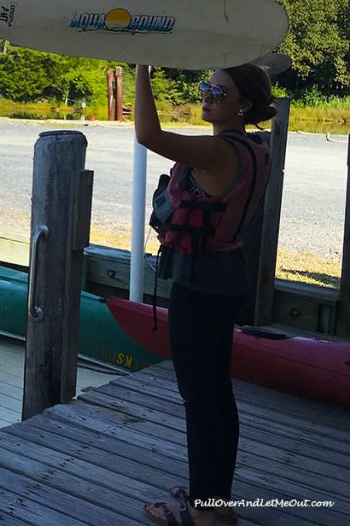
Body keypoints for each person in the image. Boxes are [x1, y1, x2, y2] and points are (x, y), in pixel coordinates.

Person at [135, 63, 275, 526]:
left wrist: (141, 66)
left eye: (221, 90)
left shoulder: (218, 151)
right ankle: (213, 498)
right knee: (216, 395)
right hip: (225, 275)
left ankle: (204, 514)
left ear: (245, 106)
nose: (209, 95)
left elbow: (148, 134)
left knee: (200, 398)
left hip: (199, 284)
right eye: (206, 87)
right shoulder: (255, 149)